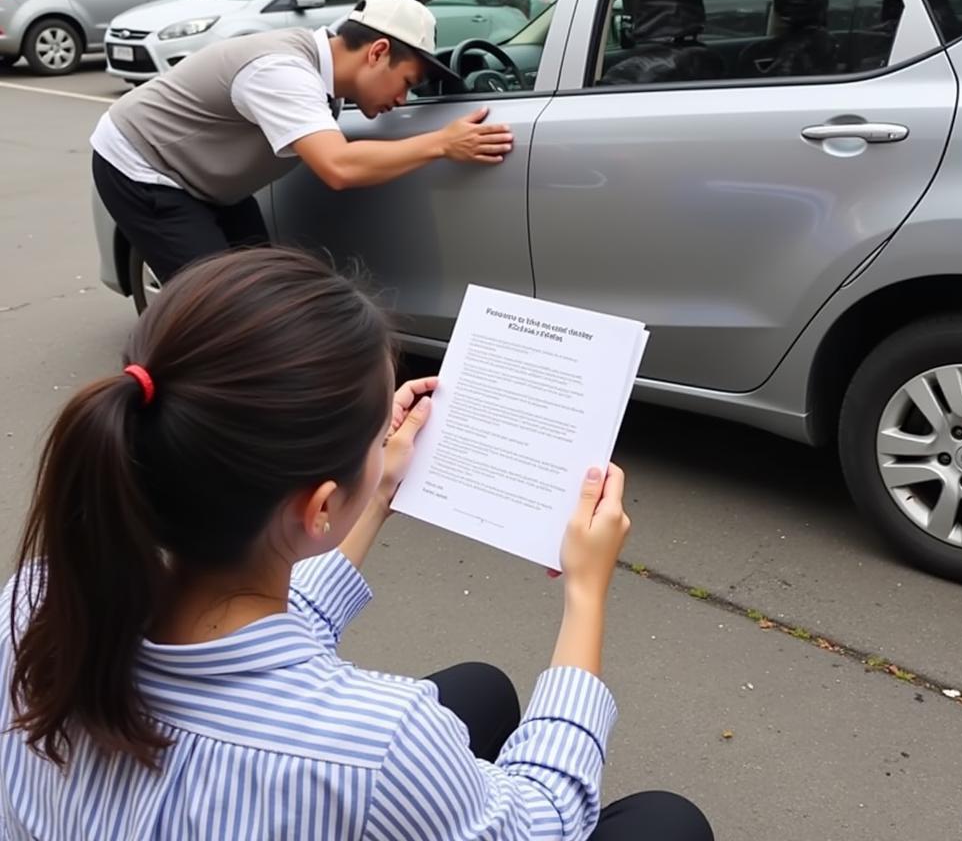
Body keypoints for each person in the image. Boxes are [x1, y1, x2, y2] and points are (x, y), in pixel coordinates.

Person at [1, 248, 713, 840]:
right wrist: (586, 594)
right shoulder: (378, 742)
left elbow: (251, 644)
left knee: (482, 690)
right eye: (378, 438)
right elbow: (541, 821)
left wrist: (373, 496)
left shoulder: (35, 603)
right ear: (318, 507)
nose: (386, 446)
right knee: (666, 823)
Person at [92, 0, 514, 286]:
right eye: (406, 82)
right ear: (377, 52)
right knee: (217, 303)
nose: (403, 99)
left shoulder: (323, 80)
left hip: (204, 177)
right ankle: (159, 379)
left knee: (261, 285)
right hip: (145, 166)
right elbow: (339, 167)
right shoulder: (282, 71)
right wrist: (442, 143)